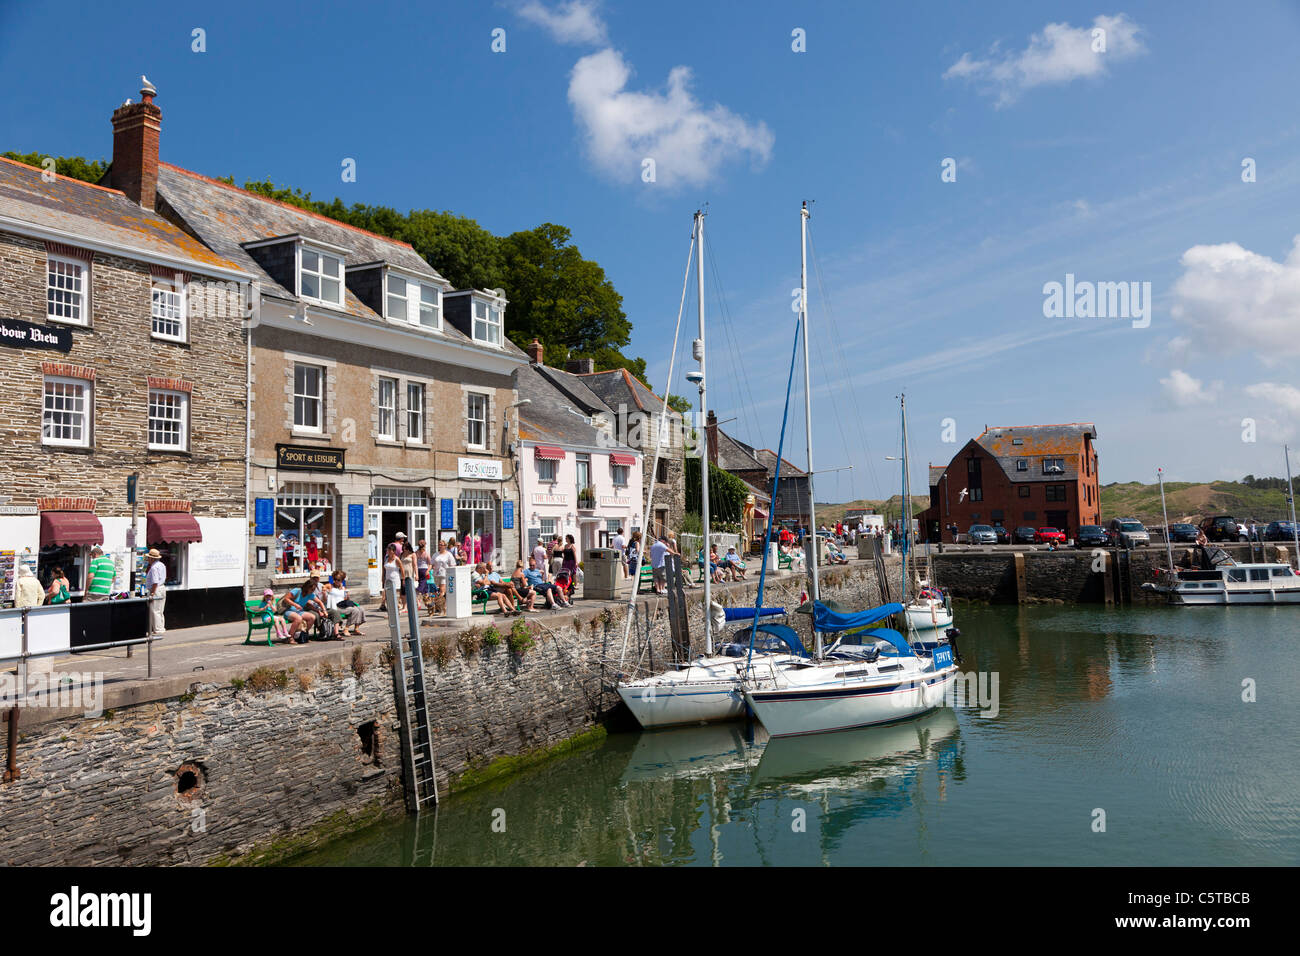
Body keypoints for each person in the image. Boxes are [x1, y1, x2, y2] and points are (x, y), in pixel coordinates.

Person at [278, 579, 320, 643]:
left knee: (312, 617)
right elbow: (286, 598)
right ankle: (290, 637)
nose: (313, 591)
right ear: (307, 587)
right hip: (288, 611)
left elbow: (319, 601)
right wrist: (295, 605)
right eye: (312, 589)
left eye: (314, 590)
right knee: (298, 618)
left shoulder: (310, 595)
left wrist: (323, 611)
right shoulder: (297, 591)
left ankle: (303, 635)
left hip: (299, 612)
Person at [144, 549, 167, 633]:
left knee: (154, 610)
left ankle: (158, 629)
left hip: (156, 589)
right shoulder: (162, 565)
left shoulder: (154, 567)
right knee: (160, 610)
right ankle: (161, 628)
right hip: (162, 588)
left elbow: (155, 582)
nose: (148, 559)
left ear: (152, 558)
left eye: (148, 558)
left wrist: (152, 593)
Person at [432, 539, 456, 615]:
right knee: (436, 591)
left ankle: (441, 606)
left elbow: (453, 564)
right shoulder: (436, 554)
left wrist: (451, 572)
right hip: (436, 574)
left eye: (441, 544)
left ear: (445, 546)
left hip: (444, 574)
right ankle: (436, 606)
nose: (440, 546)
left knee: (442, 591)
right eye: (439, 544)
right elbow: (431, 563)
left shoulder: (448, 554)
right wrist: (427, 571)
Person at [378, 544, 402, 612]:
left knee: (393, 595)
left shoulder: (397, 559)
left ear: (393, 551)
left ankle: (395, 609)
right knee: (387, 594)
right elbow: (383, 568)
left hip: (395, 579)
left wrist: (402, 579)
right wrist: (382, 577)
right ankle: (391, 608)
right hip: (387, 579)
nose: (388, 551)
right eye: (387, 550)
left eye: (389, 550)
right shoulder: (386, 558)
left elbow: (402, 569)